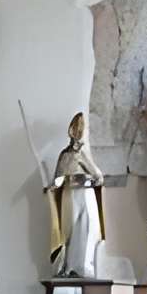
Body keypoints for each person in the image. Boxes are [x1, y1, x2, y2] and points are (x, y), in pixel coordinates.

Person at [44, 113, 106, 279]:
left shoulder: (82, 154)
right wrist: (52, 186)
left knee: (85, 228)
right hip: (69, 194)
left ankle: (82, 266)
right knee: (69, 229)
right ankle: (68, 265)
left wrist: (89, 181)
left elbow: (97, 175)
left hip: (84, 194)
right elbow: (59, 176)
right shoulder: (65, 155)